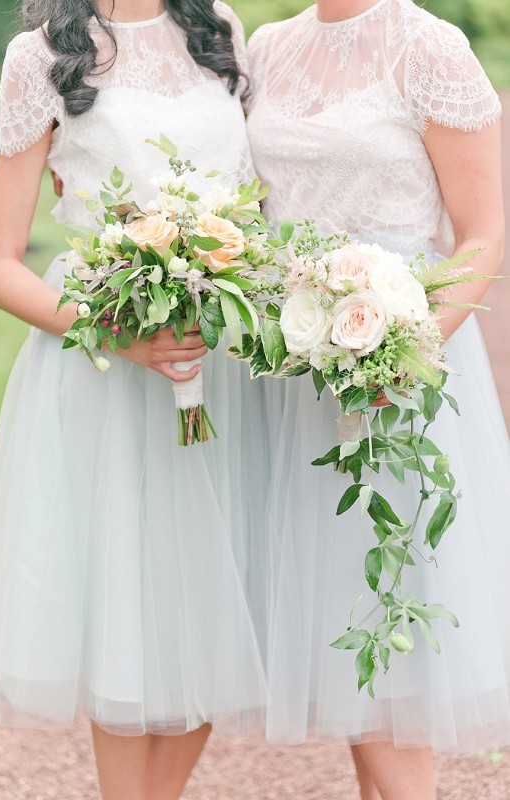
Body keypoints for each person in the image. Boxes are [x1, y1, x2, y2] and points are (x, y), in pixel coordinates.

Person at [0, 1, 267, 798]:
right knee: (129, 623)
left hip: (223, 354)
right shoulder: (39, 56)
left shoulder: (220, 30)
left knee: (234, 617)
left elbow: (257, 204)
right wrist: (121, 335)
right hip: (106, 359)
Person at [246, 1, 510, 798]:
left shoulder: (431, 46)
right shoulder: (265, 46)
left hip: (400, 368)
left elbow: (481, 232)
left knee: (390, 646)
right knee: (342, 650)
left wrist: (406, 350)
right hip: (293, 372)